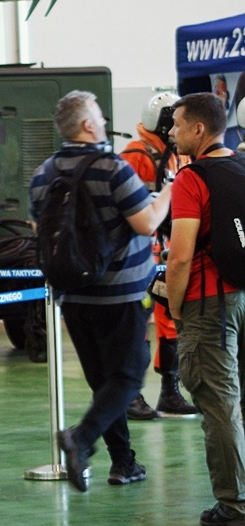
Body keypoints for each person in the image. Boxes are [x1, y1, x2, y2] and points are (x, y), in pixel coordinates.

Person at [29, 90, 172, 492]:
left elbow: (40, 229)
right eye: (100, 117)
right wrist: (170, 192)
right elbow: (147, 223)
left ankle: (123, 462)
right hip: (121, 293)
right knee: (128, 377)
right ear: (88, 125)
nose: (105, 123)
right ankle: (81, 439)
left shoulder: (44, 173)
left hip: (73, 293)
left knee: (103, 382)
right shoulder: (113, 168)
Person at [166, 92, 245, 526]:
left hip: (209, 302)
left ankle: (235, 504)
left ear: (199, 129)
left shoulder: (191, 179)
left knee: (219, 403)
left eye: (178, 124)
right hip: (243, 294)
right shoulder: (242, 166)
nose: (172, 132)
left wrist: (176, 308)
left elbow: (180, 256)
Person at [119, 92, 198, 421]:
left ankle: (170, 391)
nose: (178, 128)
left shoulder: (180, 155)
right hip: (139, 252)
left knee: (170, 322)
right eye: (175, 121)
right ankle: (130, 395)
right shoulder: (135, 155)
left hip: (168, 249)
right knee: (137, 323)